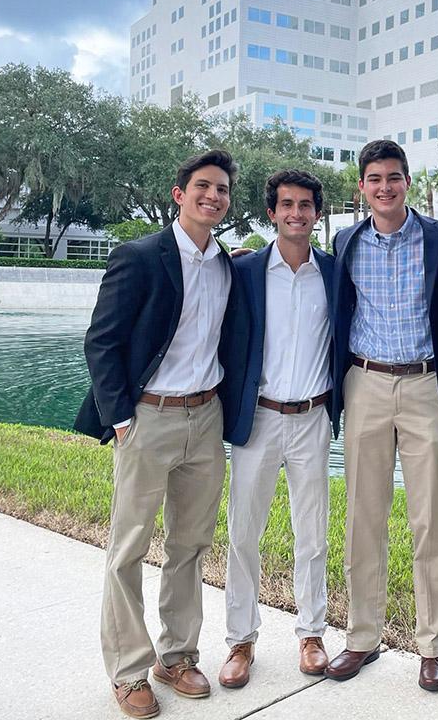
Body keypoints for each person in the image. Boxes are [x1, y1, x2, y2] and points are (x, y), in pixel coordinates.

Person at [75, 150, 245, 719]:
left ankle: (176, 656)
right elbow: (101, 341)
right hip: (147, 419)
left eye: (221, 190)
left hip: (207, 417)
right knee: (128, 548)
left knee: (190, 546)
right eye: (202, 186)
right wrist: (121, 417)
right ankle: (127, 672)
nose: (212, 197)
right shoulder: (140, 256)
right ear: (179, 194)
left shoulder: (226, 264)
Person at [322, 139, 438, 691]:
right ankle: (363, 637)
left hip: (427, 384)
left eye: (394, 177)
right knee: (364, 515)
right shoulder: (345, 239)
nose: (384, 187)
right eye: (375, 178)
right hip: (365, 384)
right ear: (361, 186)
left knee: (430, 518)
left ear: (408, 182)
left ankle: (435, 646)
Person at [216, 169, 338, 688]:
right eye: (286, 205)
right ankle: (240, 642)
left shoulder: (334, 272)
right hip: (259, 418)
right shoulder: (245, 271)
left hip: (313, 417)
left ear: (317, 213)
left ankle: (311, 634)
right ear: (271, 213)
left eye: (305, 205)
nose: (295, 213)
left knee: (312, 533)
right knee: (245, 531)